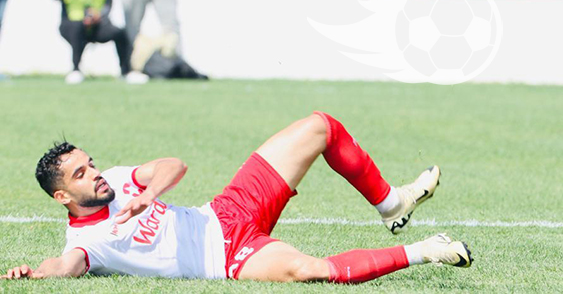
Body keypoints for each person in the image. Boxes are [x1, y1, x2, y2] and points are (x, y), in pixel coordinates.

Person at [2, 111, 472, 282]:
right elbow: (64, 267)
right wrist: (32, 273)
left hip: (229, 210)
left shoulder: (122, 181)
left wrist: (150, 192)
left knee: (319, 127)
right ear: (63, 196)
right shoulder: (88, 244)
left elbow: (174, 166)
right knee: (308, 270)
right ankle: (426, 250)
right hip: (228, 257)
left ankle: (391, 203)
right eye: (82, 174)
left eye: (91, 162)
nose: (97, 174)